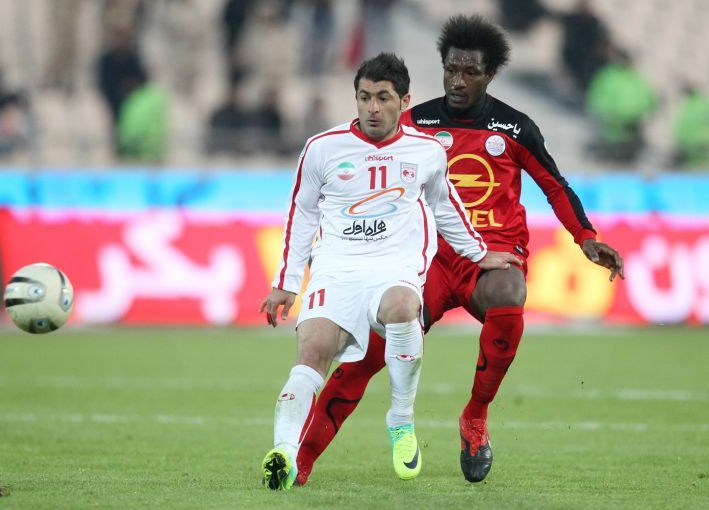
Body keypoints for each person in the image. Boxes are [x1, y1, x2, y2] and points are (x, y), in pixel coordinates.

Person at [296, 14, 625, 486]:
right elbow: (362, 162)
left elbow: (555, 186)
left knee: (510, 292)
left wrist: (586, 237)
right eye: (451, 69)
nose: (457, 80)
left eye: (470, 72)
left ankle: (475, 415)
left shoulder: (515, 127)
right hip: (426, 260)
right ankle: (300, 460)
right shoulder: (416, 123)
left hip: (491, 257)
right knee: (364, 359)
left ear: (489, 75)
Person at [259, 52, 521, 491]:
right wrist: (285, 282)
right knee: (312, 352)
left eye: (383, 97)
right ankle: (283, 455)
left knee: (402, 307)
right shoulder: (322, 148)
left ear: (404, 101)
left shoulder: (426, 151)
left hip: (393, 264)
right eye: (364, 97)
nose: (373, 108)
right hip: (336, 268)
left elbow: (445, 206)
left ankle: (400, 420)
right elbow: (301, 215)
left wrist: (478, 253)